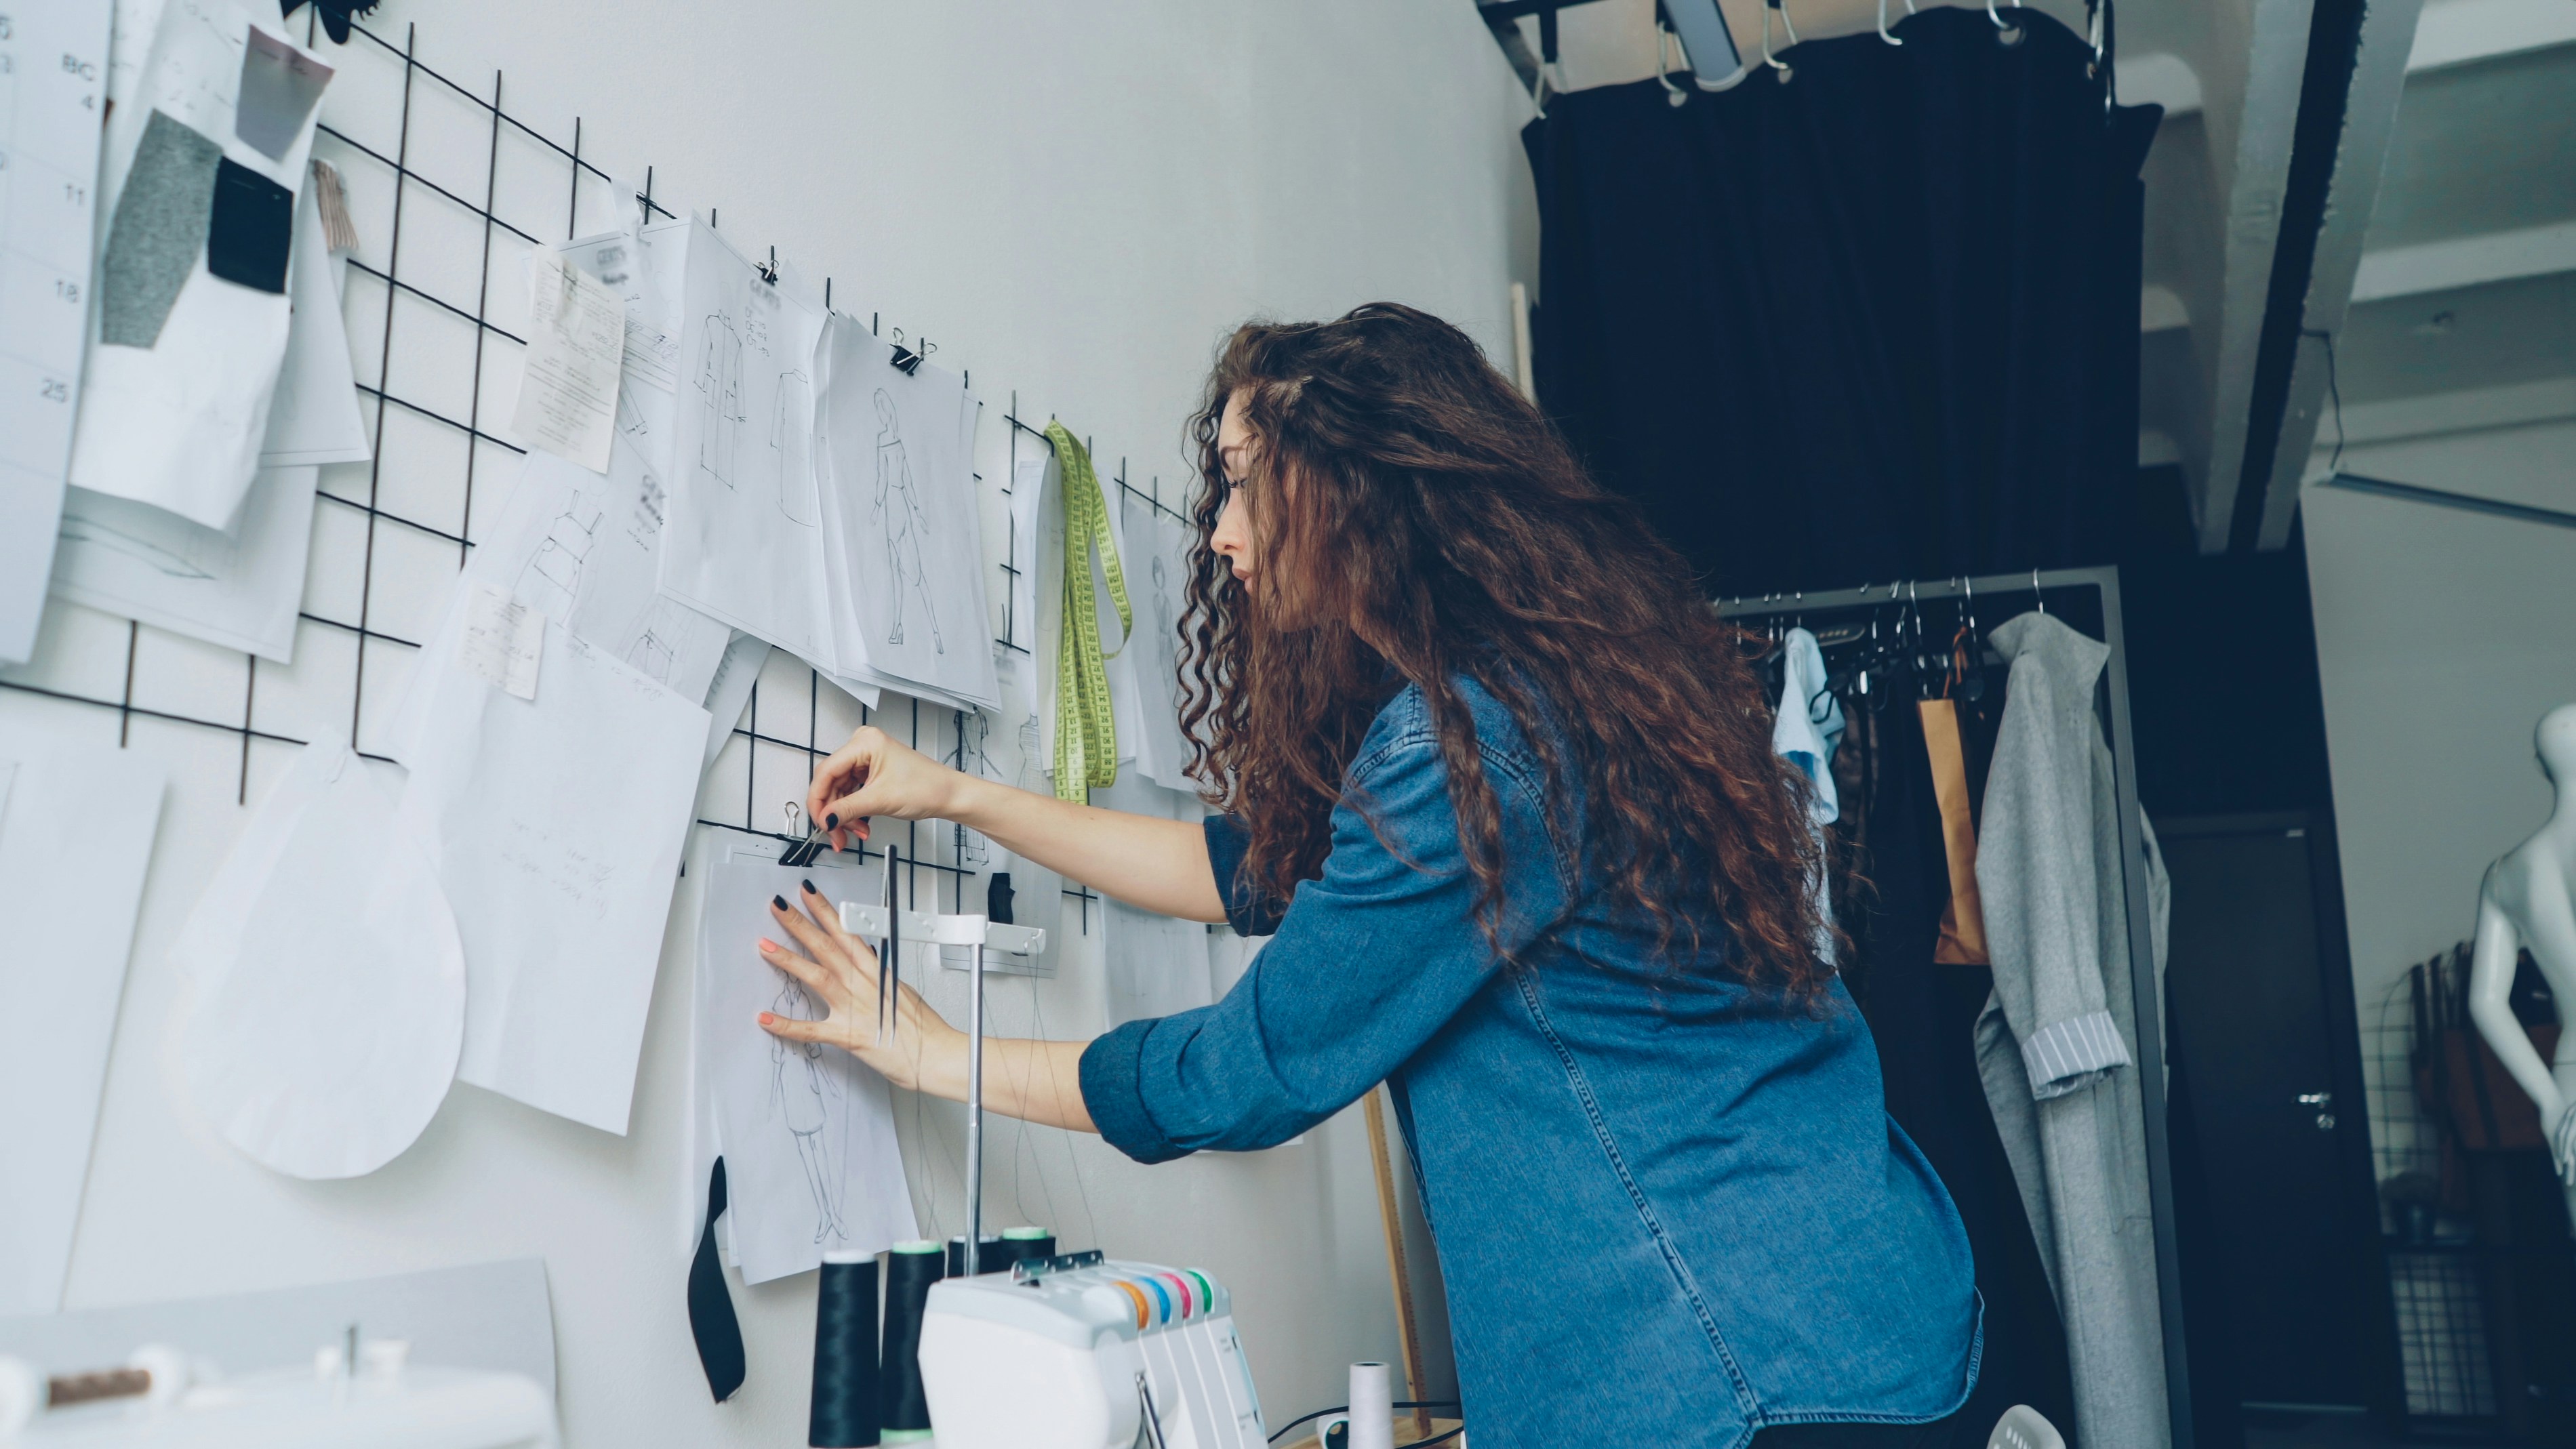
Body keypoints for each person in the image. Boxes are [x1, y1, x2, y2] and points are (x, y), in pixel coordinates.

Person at [755, 304, 1980, 1448]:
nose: (1221, 532)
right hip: (1863, 1314)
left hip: (1732, 1366)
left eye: (1239, 482)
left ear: (1350, 486)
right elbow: (1248, 871)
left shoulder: (1473, 745)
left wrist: (931, 1054)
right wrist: (958, 793)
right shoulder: (1563, 693)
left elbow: (1247, 1071)